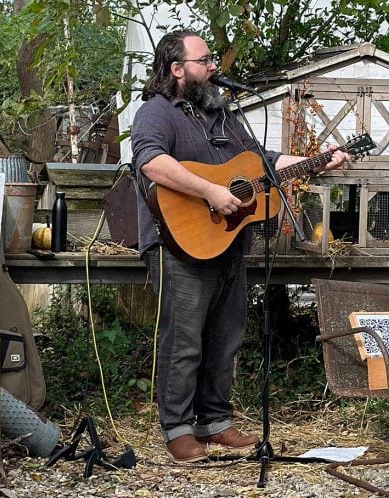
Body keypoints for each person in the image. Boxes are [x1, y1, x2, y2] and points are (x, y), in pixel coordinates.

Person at [130, 29, 350, 463]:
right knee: (183, 341)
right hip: (177, 243)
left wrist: (317, 160)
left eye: (213, 59)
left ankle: (215, 423)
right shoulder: (156, 112)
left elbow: (262, 164)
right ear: (177, 70)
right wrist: (210, 193)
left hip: (229, 243)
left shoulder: (223, 115)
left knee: (226, 337)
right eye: (205, 60)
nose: (214, 67)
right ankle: (177, 430)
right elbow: (151, 163)